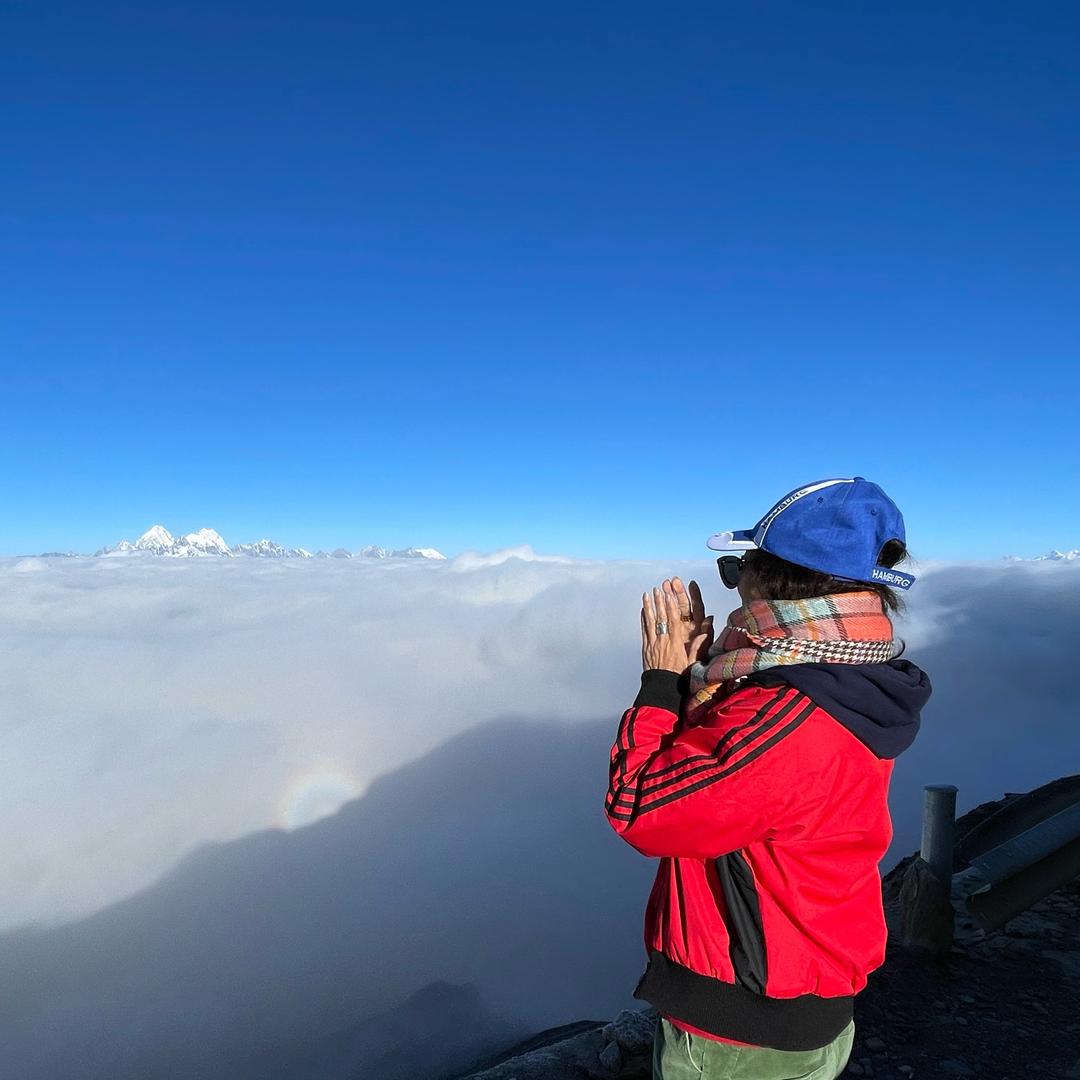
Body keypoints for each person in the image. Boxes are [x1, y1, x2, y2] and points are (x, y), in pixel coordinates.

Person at [605, 476, 932, 1080]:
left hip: (741, 1029)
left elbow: (639, 807)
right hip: (805, 991)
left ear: (776, 580)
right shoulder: (852, 685)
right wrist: (696, 688)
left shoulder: (782, 716)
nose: (736, 586)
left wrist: (657, 683)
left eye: (739, 569)